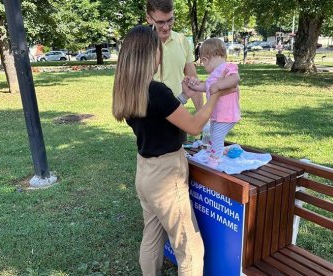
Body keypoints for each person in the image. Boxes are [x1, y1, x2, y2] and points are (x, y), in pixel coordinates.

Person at [112, 25, 233, 276]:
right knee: (190, 249)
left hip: (145, 173)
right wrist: (215, 94)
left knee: (152, 235)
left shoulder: (130, 90)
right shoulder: (156, 90)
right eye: (158, 50)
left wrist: (184, 96)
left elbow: (157, 117)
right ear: (149, 54)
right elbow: (194, 125)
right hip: (166, 176)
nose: (161, 55)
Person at [185, 38, 241, 166]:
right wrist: (194, 87)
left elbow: (235, 79)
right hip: (218, 115)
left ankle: (215, 159)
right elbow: (206, 87)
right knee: (213, 134)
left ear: (205, 59)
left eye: (203, 63)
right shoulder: (215, 73)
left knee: (216, 135)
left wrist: (218, 85)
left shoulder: (227, 67)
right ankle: (213, 151)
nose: (204, 66)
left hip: (227, 115)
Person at [146, 0, 203, 111]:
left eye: (170, 20)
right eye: (160, 22)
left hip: (177, 111)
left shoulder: (182, 40)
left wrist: (201, 113)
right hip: (149, 115)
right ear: (149, 18)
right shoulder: (139, 43)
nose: (166, 27)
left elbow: (193, 79)